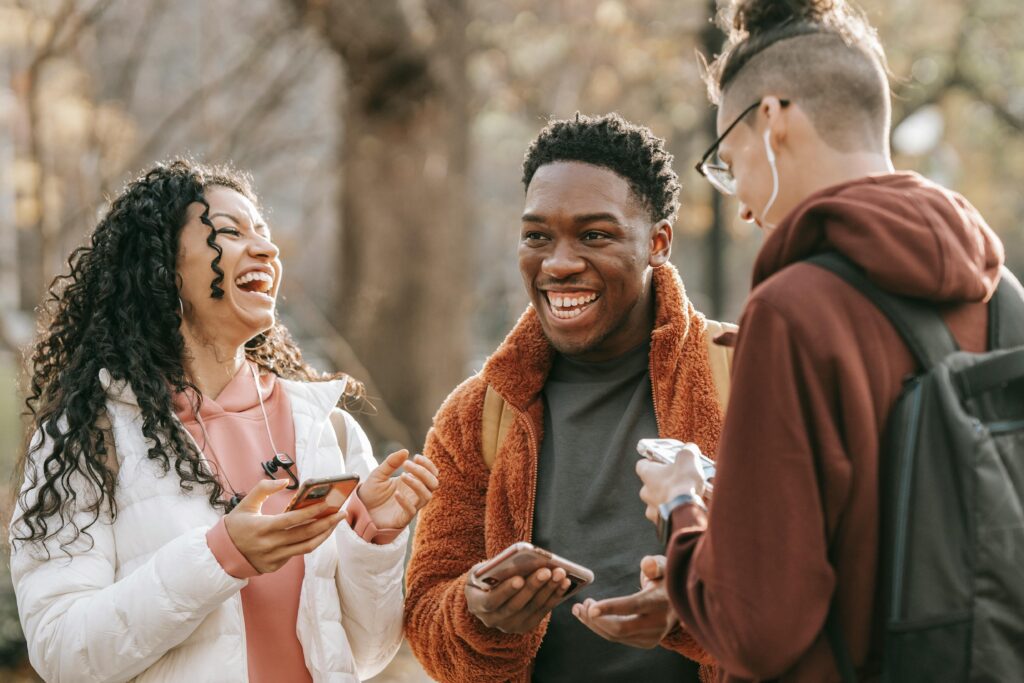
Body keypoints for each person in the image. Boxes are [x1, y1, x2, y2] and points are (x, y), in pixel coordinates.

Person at [630, 0, 1015, 681]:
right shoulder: (1004, 297)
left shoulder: (793, 312)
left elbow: (758, 626)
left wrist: (682, 507)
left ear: (773, 119)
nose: (741, 203)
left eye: (727, 159)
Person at [9, 159, 439, 683]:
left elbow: (365, 655)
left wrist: (373, 538)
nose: (267, 249)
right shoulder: (86, 439)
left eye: (264, 232)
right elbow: (62, 654)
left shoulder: (326, 428)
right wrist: (221, 556)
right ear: (162, 268)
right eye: (230, 233)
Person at [404, 113, 734, 682]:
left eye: (594, 235)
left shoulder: (746, 375)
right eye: (537, 236)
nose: (558, 263)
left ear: (658, 243)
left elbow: (814, 588)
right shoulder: (476, 416)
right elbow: (426, 615)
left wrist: (692, 609)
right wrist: (479, 612)